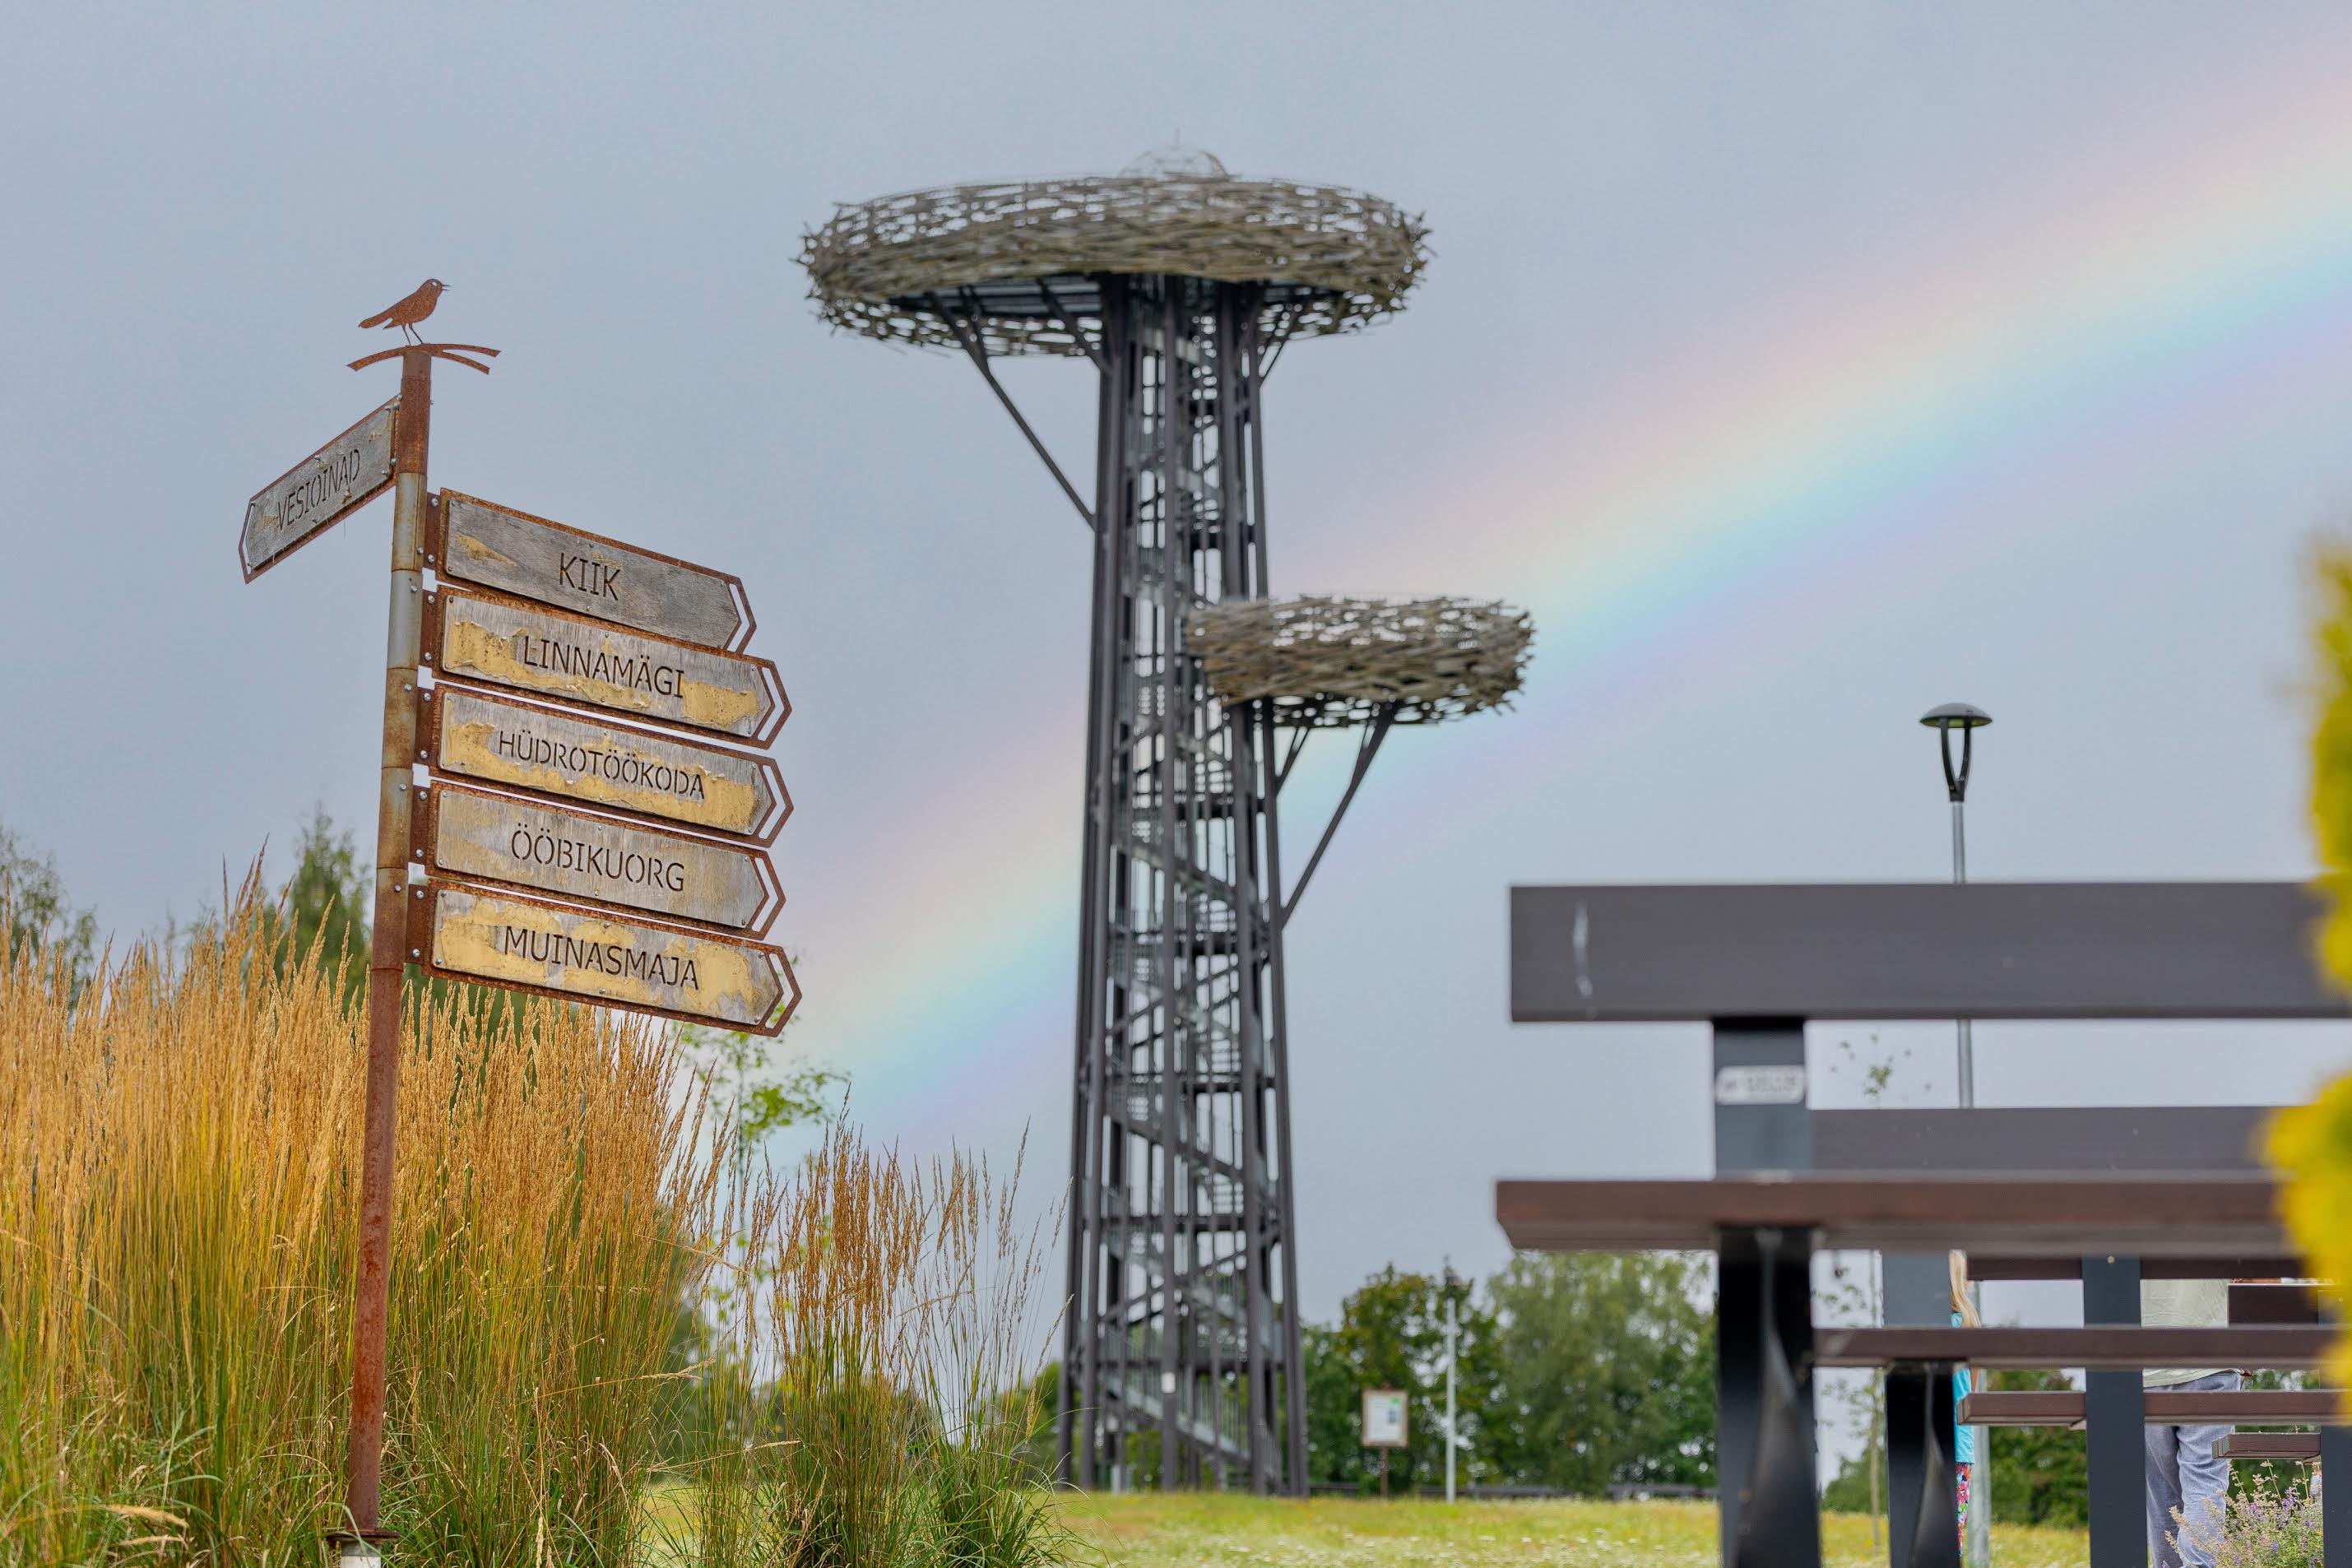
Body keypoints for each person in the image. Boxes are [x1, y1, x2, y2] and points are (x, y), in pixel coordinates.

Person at [2142, 1276, 2236, 1568]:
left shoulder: (2121, 1227)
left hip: (2143, 1369)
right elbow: (2267, 1284)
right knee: (2204, 1485)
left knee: (2162, 1497)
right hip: (2210, 1364)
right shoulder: (2226, 1226)